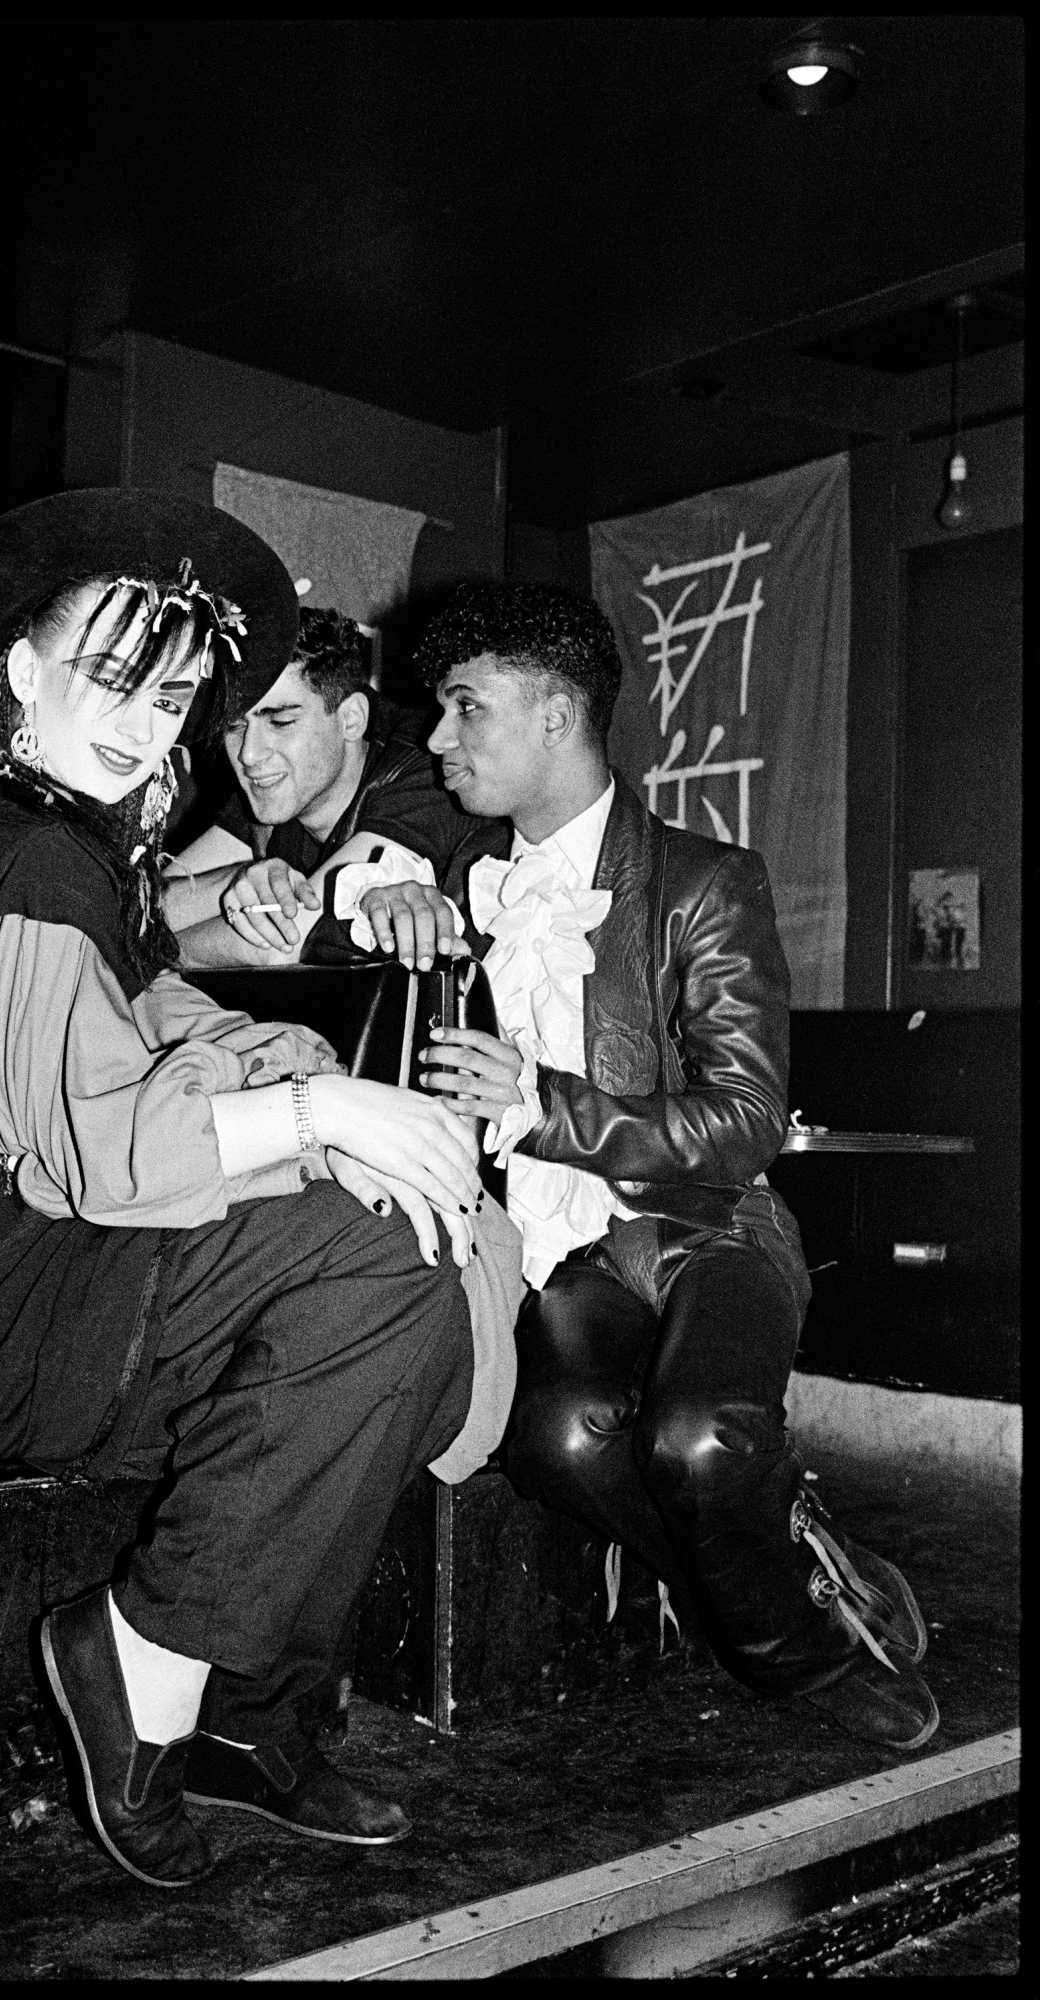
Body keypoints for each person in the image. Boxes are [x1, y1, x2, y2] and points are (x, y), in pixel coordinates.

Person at [0, 489, 488, 1890]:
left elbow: (147, 1007)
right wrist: (318, 1108)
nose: (146, 722)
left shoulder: (40, 827)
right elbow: (103, 1149)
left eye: (174, 694)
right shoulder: (18, 849)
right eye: (113, 678)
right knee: (373, 1264)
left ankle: (253, 1710)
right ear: (20, 669)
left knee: (408, 1282)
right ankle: (149, 1646)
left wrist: (303, 1075)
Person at [366, 580, 938, 1754]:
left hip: (713, 1229)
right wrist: (364, 889)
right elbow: (339, 868)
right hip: (574, 1254)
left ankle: (803, 1658)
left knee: (698, 1440)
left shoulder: (705, 883)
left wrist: (542, 1107)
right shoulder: (463, 872)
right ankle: (784, 1550)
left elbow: (744, 1121)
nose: (436, 739)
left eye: (466, 709)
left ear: (558, 716)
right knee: (557, 1441)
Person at [164, 604, 481, 972]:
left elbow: (282, 945)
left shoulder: (424, 772)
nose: (249, 754)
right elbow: (141, 907)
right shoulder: (276, 780)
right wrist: (234, 877)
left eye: (281, 722)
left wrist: (138, 956)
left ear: (351, 719)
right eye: (234, 727)